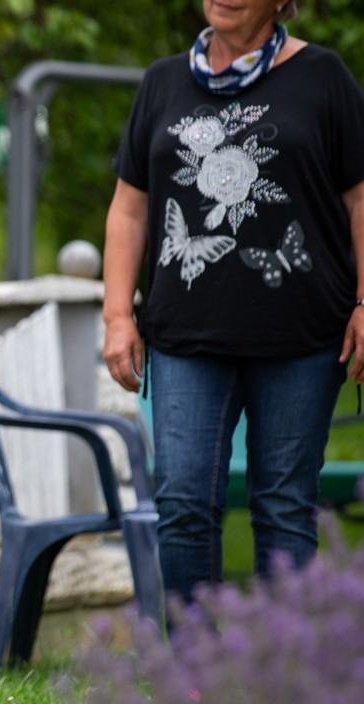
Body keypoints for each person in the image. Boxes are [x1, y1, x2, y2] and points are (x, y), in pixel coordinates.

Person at [101, 0, 364, 606]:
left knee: (284, 509)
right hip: (186, 336)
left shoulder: (324, 77)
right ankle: (196, 674)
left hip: (303, 336)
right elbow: (130, 207)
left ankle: (281, 678)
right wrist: (118, 314)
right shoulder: (163, 81)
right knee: (183, 503)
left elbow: (358, 201)